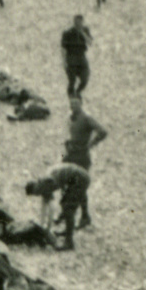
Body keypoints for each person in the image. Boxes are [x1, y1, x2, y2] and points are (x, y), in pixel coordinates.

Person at [61, 94, 108, 228]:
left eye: (76, 103)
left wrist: (91, 144)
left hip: (81, 157)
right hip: (71, 154)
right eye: (71, 104)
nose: (73, 106)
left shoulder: (86, 118)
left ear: (81, 104)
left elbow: (103, 131)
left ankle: (85, 216)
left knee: (79, 187)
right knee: (64, 182)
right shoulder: (71, 118)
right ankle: (65, 213)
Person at [25, 161, 92, 250]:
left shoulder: (46, 182)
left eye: (36, 193)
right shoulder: (43, 182)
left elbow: (51, 204)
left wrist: (48, 227)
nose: (38, 195)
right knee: (72, 198)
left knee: (68, 207)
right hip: (80, 174)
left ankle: (69, 243)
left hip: (79, 178)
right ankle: (85, 217)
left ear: (35, 187)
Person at [60, 14, 92, 97]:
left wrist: (82, 33)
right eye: (76, 22)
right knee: (72, 80)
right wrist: (64, 61)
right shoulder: (68, 33)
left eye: (80, 22)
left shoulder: (85, 30)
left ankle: (78, 92)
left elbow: (90, 42)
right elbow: (63, 48)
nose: (78, 24)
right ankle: (71, 96)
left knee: (85, 78)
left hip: (81, 57)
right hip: (71, 58)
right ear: (74, 22)